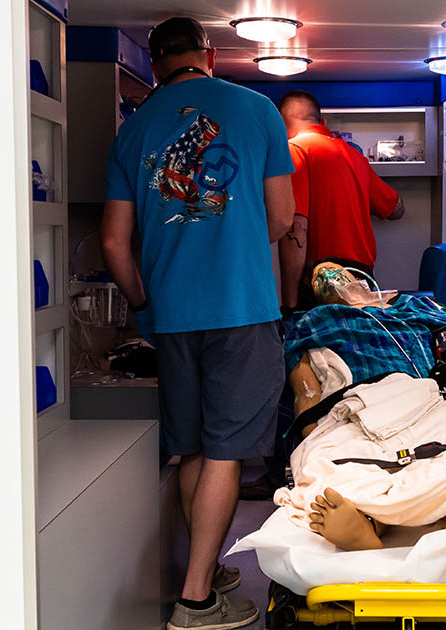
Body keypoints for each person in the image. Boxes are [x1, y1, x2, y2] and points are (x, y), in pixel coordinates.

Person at [100, 16, 295, 630]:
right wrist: (235, 249)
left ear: (154, 64)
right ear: (208, 54)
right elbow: (283, 217)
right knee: (227, 452)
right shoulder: (257, 108)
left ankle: (204, 568)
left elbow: (113, 243)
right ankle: (196, 600)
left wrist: (143, 303)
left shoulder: (133, 132)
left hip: (171, 317)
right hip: (240, 310)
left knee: (191, 446)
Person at [276, 90, 406, 311]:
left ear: (280, 125)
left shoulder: (294, 150)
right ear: (322, 122)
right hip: (363, 281)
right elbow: (396, 209)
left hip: (321, 283)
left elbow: (296, 229)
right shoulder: (355, 156)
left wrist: (290, 303)